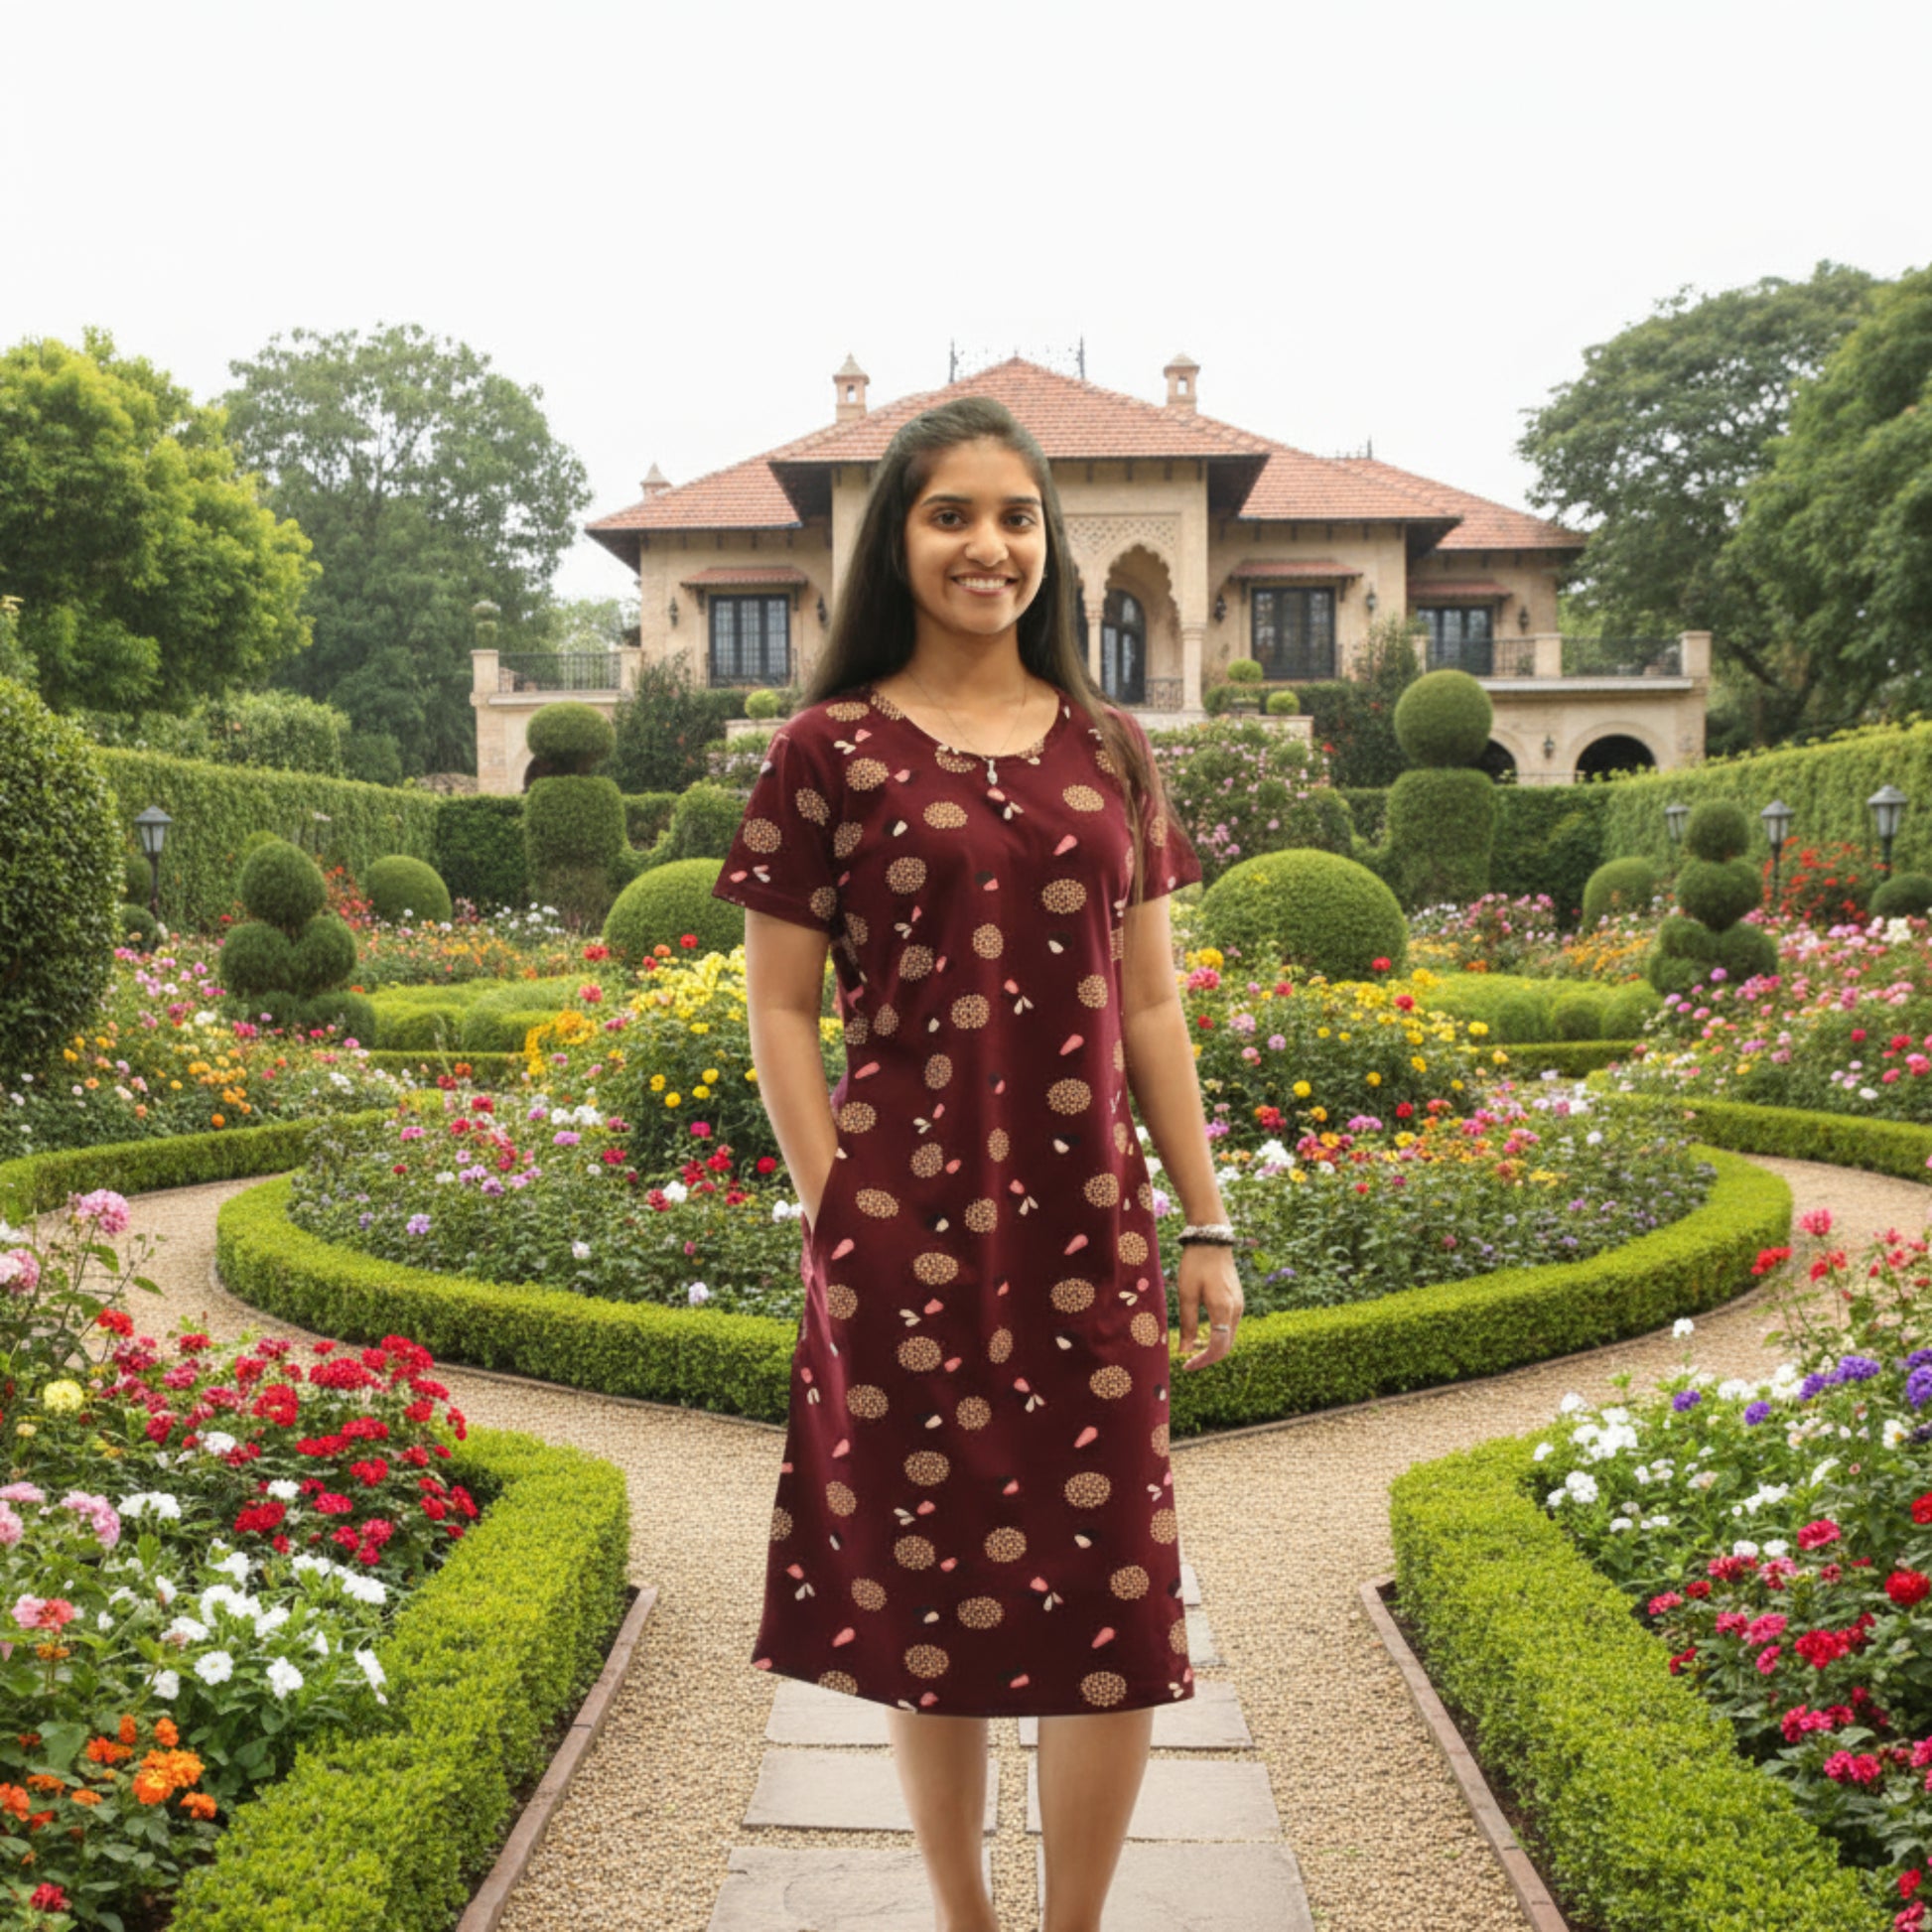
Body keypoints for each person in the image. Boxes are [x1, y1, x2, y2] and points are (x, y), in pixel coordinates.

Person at [712, 395, 1243, 1932]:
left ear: (1048, 550)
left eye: (1015, 518)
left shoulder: (1110, 749)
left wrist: (1203, 1219)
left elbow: (1150, 1000)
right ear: (898, 538)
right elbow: (777, 1007)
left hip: (1089, 1227)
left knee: (1115, 1590)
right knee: (922, 1584)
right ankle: (966, 1915)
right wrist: (838, 1213)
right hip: (900, 1232)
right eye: (950, 514)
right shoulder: (828, 749)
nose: (986, 546)